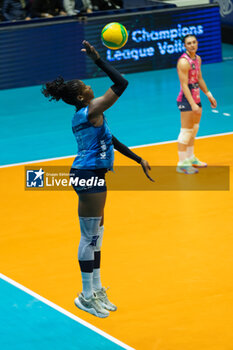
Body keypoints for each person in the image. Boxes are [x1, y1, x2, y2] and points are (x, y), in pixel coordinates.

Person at [42, 40, 154, 318]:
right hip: (87, 176)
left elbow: (110, 140)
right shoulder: (90, 110)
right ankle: (85, 295)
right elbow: (121, 83)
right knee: (89, 237)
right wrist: (98, 59)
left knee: (97, 237)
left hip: (93, 174)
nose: (90, 86)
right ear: (81, 97)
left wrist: (137, 159)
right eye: (85, 86)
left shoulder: (90, 113)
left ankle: (97, 288)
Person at [176, 34, 217, 174]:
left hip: (197, 98)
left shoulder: (198, 59)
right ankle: (181, 163)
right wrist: (193, 103)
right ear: (185, 46)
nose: (192, 45)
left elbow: (199, 79)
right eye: (189, 43)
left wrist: (209, 95)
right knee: (186, 131)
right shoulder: (183, 62)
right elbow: (184, 85)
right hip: (186, 100)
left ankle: (191, 158)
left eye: (194, 42)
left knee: (194, 130)